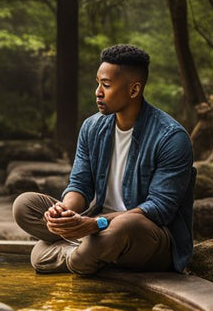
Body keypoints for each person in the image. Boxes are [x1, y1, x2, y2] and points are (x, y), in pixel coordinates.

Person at [13, 44, 195, 275]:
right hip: (95, 228)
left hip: (145, 234)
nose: (98, 91)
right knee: (24, 205)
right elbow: (79, 185)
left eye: (106, 85)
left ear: (133, 90)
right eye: (97, 83)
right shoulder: (92, 127)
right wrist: (64, 213)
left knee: (122, 227)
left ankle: (79, 253)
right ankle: (89, 254)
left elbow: (158, 209)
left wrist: (96, 224)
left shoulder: (171, 137)